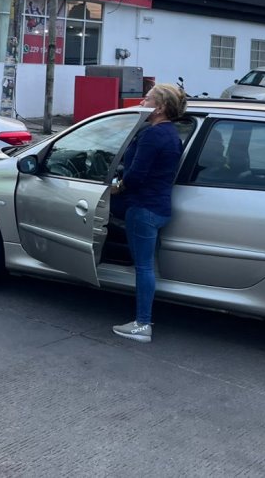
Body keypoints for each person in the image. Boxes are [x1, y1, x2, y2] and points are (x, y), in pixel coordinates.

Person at [111, 83, 186, 343]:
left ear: (160, 107)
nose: (142, 102)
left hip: (144, 208)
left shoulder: (152, 135)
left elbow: (135, 176)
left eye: (147, 99)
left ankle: (142, 324)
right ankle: (144, 318)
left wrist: (117, 188)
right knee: (149, 266)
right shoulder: (171, 134)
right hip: (161, 207)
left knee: (143, 268)